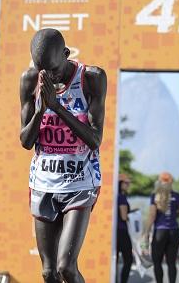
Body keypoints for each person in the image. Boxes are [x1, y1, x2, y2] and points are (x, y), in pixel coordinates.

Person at [20, 28, 107, 283]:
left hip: (81, 182)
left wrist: (57, 108)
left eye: (55, 71)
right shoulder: (30, 80)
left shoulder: (91, 78)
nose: (49, 77)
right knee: (48, 272)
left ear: (66, 55)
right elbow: (26, 141)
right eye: (42, 70)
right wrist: (41, 111)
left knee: (65, 268)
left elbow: (94, 139)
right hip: (43, 183)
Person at [143, 172, 179, 283]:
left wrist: (146, 233)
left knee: (157, 262)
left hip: (160, 232)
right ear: (171, 182)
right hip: (174, 231)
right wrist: (173, 212)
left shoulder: (155, 196)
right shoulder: (178, 196)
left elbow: (152, 215)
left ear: (159, 182)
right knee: (172, 263)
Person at [117, 174, 133, 283]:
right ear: (120, 183)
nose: (128, 185)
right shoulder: (122, 197)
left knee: (115, 259)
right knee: (128, 260)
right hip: (122, 231)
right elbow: (124, 216)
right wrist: (132, 215)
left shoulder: (115, 196)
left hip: (114, 231)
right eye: (126, 183)